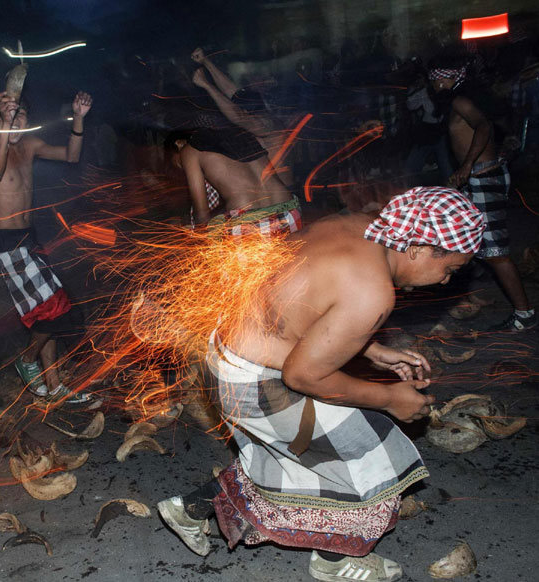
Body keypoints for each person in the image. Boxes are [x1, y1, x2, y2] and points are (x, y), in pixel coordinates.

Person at [157, 187, 485, 582]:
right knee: (370, 453)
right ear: (419, 247)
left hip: (229, 350)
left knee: (296, 458)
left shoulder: (359, 226)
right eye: (449, 269)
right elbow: (304, 376)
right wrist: (389, 399)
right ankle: (334, 562)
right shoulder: (374, 291)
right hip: (254, 377)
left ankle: (189, 508)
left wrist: (373, 350)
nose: (445, 281)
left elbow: (316, 301)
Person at [0, 90, 94, 404]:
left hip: (30, 240)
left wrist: (79, 118)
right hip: (8, 245)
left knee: (47, 313)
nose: (17, 122)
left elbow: (72, 155)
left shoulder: (30, 145)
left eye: (22, 116)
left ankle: (54, 386)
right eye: (10, 117)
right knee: (56, 309)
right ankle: (27, 360)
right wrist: (4, 125)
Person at [429, 62, 536, 331]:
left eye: (436, 79)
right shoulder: (461, 100)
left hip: (482, 177)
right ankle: (472, 291)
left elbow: (484, 126)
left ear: (449, 78)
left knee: (496, 251)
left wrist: (466, 166)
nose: (433, 84)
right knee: (467, 236)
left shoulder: (460, 100)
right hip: (479, 176)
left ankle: (525, 314)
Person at [165, 128, 300, 237]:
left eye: (179, 163)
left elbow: (202, 214)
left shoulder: (189, 151)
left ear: (179, 143)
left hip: (248, 223)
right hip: (289, 209)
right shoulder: (242, 133)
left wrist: (200, 244)